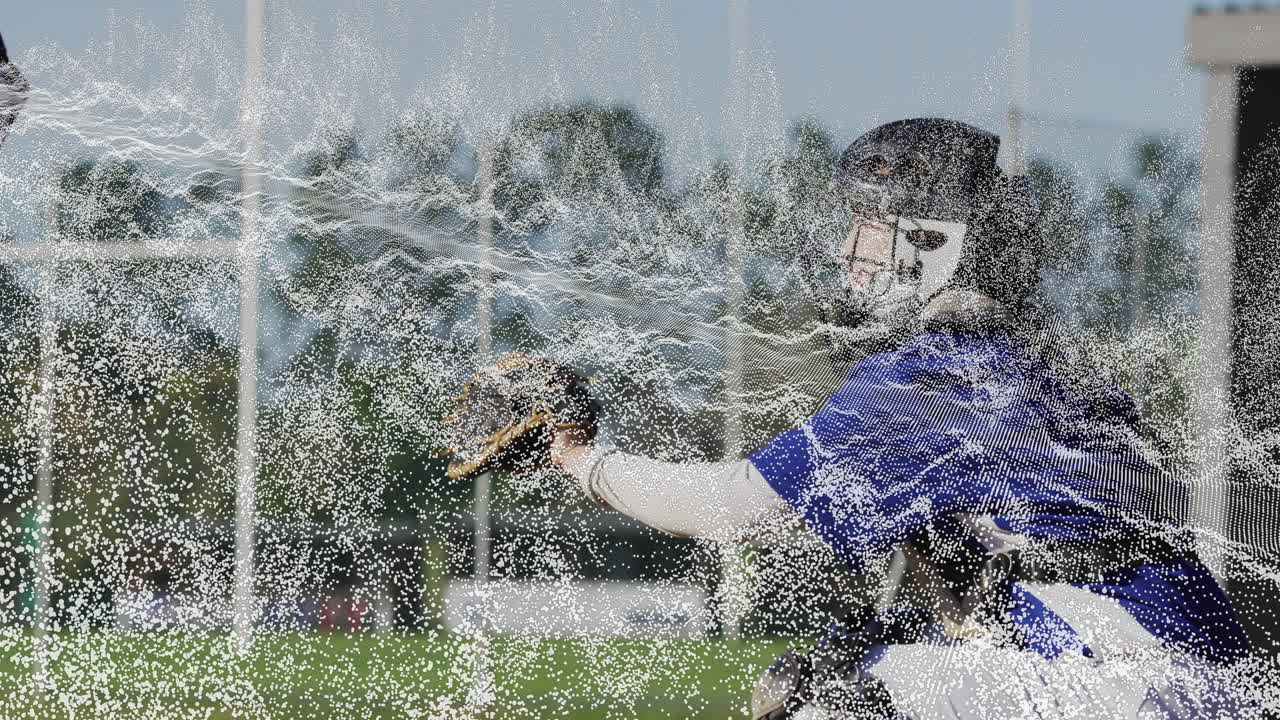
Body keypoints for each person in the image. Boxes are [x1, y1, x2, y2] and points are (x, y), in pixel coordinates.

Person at [547, 119, 1253, 718]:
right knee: (877, 647)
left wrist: (582, 461)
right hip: (1188, 670)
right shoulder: (1037, 360)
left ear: (933, 243)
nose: (847, 250)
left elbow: (726, 508)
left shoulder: (926, 380)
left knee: (822, 692)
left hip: (1132, 684)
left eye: (869, 226)